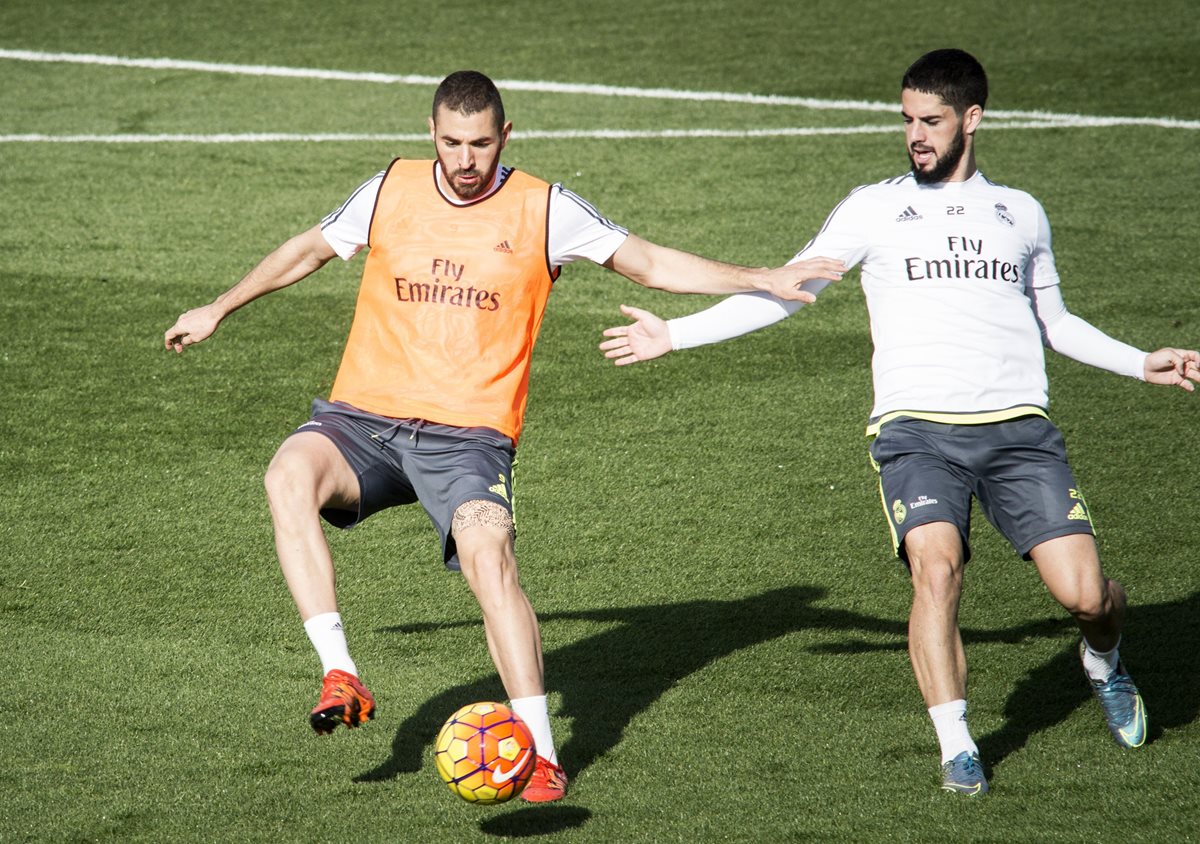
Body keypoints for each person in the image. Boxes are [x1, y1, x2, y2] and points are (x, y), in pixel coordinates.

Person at [164, 70, 844, 803]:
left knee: (491, 556)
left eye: (480, 144)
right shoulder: (390, 188)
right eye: (452, 143)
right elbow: (308, 249)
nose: (465, 159)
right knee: (285, 477)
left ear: (505, 137)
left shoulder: (545, 208)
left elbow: (644, 261)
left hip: (467, 442)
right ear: (431, 135)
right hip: (360, 423)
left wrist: (757, 276)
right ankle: (341, 671)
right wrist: (220, 306)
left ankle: (543, 755)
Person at [599, 49, 1199, 797]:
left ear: (971, 120)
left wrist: (1141, 361)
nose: (915, 135)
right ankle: (958, 746)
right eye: (907, 120)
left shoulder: (1021, 211)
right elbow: (789, 290)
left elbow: (1056, 321)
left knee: (1085, 597)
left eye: (931, 121)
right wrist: (675, 334)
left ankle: (1103, 661)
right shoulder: (872, 208)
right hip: (917, 431)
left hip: (1018, 430)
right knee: (935, 568)